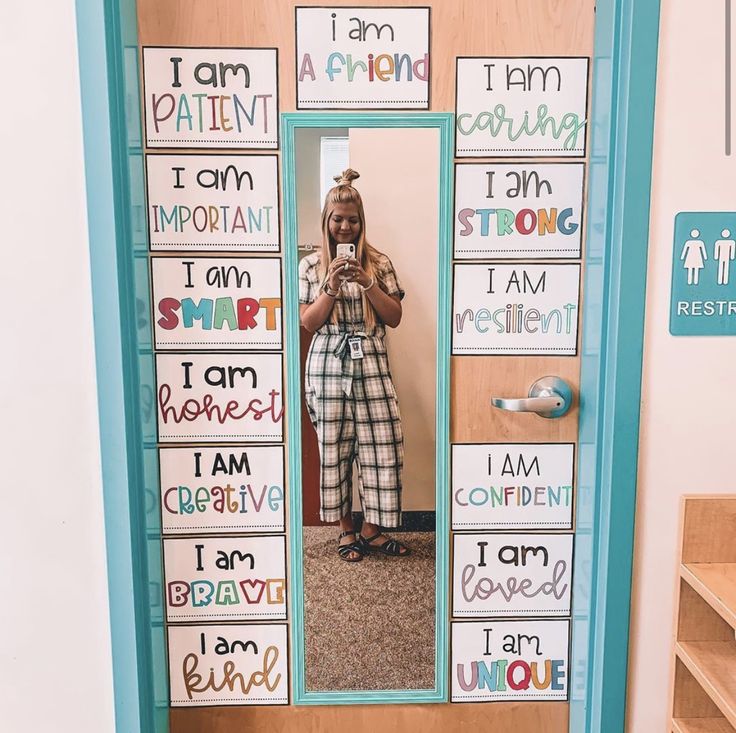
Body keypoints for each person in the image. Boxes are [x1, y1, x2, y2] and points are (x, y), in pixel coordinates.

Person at [298, 168, 410, 562]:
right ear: (327, 220)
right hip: (328, 362)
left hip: (371, 363)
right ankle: (346, 531)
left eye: (352, 219)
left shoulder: (379, 263)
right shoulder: (311, 266)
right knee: (335, 446)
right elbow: (309, 323)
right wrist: (329, 286)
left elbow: (393, 317)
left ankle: (372, 530)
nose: (344, 227)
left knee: (384, 445)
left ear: (362, 222)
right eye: (337, 219)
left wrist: (366, 282)